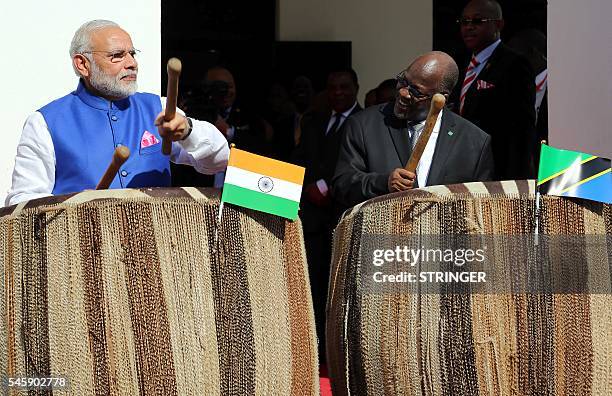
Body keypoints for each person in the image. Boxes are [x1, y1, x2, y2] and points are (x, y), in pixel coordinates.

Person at [5, 20, 229, 206]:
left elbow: (220, 161)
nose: (132, 63)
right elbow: (24, 202)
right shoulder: (45, 122)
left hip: (156, 250)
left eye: (132, 53)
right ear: (83, 64)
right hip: (82, 252)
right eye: (117, 56)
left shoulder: (158, 108)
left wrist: (188, 131)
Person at [333, 51, 494, 209]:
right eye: (403, 81)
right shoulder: (363, 125)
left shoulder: (474, 142)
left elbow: (481, 207)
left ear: (442, 97)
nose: (403, 93)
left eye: (415, 91)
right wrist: (384, 183)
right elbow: (342, 185)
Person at [291, 68, 361, 363]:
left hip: (340, 215)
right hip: (312, 219)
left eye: (345, 87)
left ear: (356, 88)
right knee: (314, 286)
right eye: (333, 87)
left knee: (342, 287)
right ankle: (315, 351)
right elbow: (299, 161)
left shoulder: (364, 122)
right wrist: (307, 185)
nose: (338, 93)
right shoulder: (314, 122)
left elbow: (356, 165)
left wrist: (329, 187)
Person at [455, 0, 537, 180]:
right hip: (464, 164)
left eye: (477, 21)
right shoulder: (461, 64)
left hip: (498, 167)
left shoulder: (514, 64)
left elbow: (522, 126)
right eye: (464, 21)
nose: (469, 27)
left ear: (498, 24)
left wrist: (517, 176)